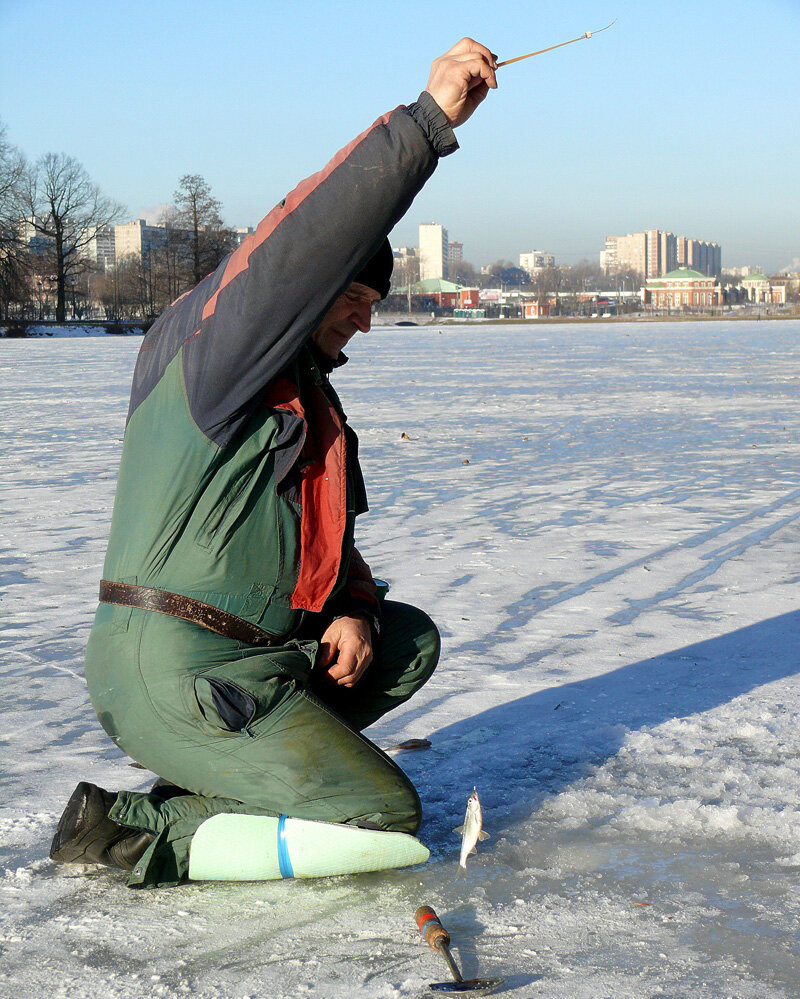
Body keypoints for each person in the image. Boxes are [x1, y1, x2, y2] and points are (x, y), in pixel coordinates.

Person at [49, 39, 498, 887]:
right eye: (354, 299)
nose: (365, 322)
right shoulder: (219, 354)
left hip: (252, 657)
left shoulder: (304, 399)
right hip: (173, 663)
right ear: (306, 292)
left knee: (404, 641)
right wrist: (429, 121)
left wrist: (355, 608)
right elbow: (309, 235)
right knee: (385, 817)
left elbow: (327, 541)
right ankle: (134, 825)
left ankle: (233, 767)